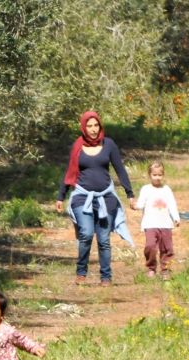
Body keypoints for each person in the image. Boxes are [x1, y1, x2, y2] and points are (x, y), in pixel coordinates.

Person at [55, 111, 136, 287]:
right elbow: (69, 172)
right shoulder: (77, 146)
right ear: (84, 127)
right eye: (89, 126)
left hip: (106, 198)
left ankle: (106, 277)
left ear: (100, 126)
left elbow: (120, 169)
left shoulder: (109, 144)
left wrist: (130, 194)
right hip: (82, 197)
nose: (93, 129)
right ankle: (81, 272)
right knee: (85, 233)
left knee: (104, 239)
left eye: (96, 125)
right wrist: (61, 196)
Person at [136, 161, 181, 278]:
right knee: (150, 246)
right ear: (149, 175)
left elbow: (172, 204)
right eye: (154, 175)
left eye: (159, 175)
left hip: (165, 224)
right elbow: (140, 203)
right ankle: (151, 267)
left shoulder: (166, 189)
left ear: (163, 175)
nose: (157, 178)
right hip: (150, 223)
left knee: (167, 248)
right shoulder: (146, 189)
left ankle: (165, 269)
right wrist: (135, 205)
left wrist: (176, 217)